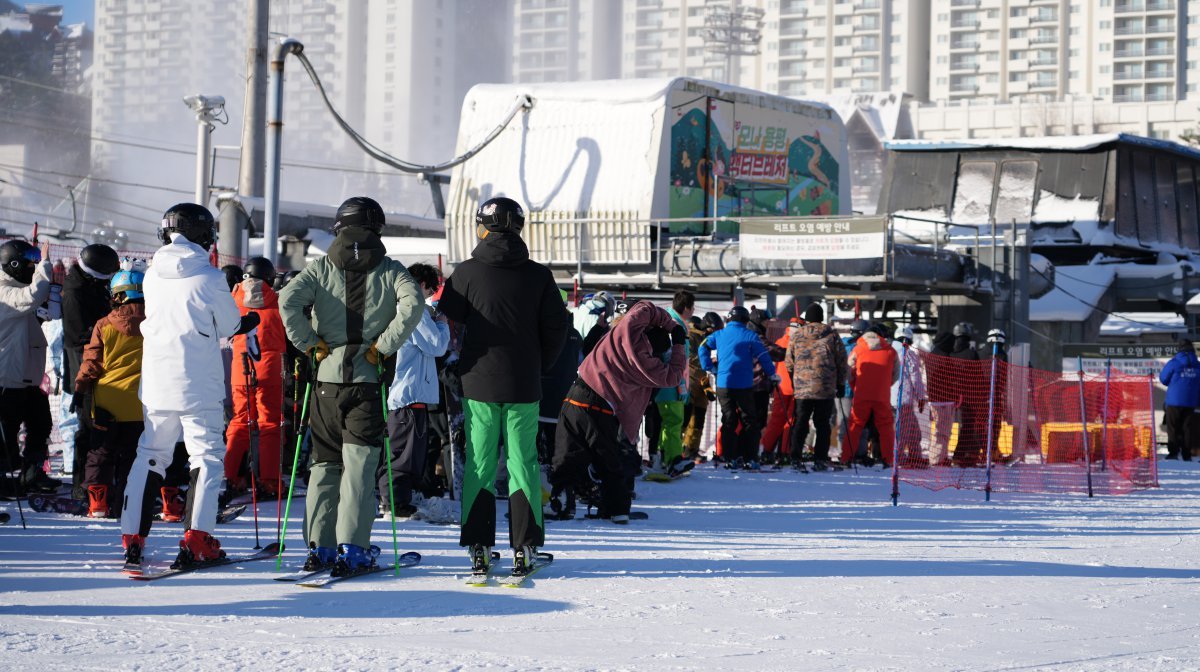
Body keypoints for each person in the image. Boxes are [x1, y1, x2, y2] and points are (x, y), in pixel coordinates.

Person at [279, 196, 423, 575]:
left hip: (325, 383)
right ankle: (353, 548)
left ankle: (319, 548)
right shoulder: (392, 271)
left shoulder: (319, 268)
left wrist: (309, 343)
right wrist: (384, 345)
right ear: (377, 227)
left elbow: (287, 301)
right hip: (367, 382)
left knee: (324, 464)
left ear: (339, 228)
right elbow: (413, 304)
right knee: (359, 466)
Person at [119, 203, 259, 569]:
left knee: (150, 454)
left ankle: (133, 537)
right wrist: (247, 323)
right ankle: (198, 540)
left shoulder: (151, 274)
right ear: (204, 235)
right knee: (206, 457)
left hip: (156, 380)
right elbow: (229, 325)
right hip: (197, 381)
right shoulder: (210, 277)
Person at [437, 196, 569, 576]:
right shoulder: (539, 274)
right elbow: (557, 327)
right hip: (524, 381)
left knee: (478, 463)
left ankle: (479, 547)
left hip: (478, 381)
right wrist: (539, 363)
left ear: (483, 226)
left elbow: (449, 321)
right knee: (522, 463)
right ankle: (524, 549)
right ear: (518, 227)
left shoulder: (466, 272)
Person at [550, 301, 686, 521]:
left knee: (567, 455)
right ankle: (617, 509)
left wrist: (670, 324)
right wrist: (679, 344)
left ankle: (562, 502)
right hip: (604, 408)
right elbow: (674, 376)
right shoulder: (648, 365)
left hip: (577, 395)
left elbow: (645, 308)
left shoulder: (626, 332)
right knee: (609, 461)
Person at [377, 262, 450, 517]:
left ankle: (396, 500)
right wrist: (442, 323)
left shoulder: (394, 306)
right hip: (408, 393)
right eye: (430, 290)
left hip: (402, 391)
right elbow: (437, 345)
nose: (431, 297)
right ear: (420, 285)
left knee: (402, 451)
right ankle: (394, 504)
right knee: (403, 454)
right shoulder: (414, 310)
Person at [74, 263, 147, 517]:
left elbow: (92, 362)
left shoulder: (104, 324)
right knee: (132, 457)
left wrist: (80, 388)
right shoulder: (154, 324)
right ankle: (127, 504)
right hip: (140, 403)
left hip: (106, 402)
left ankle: (98, 504)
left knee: (100, 454)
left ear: (119, 295)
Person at [224, 257, 287, 499]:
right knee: (270, 424)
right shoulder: (278, 301)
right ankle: (269, 480)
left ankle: (232, 476)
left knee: (240, 422)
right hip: (270, 369)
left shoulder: (233, 299)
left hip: (240, 368)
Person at [0, 239, 59, 496]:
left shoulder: (16, 285)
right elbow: (33, 295)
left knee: (41, 423)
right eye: (29, 262)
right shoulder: (4, 289)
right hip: (7, 377)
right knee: (6, 433)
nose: (32, 267)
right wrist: (45, 264)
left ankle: (32, 473)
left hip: (27, 376)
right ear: (14, 264)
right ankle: (3, 478)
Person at [61, 243, 119, 494]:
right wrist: (108, 328)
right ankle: (81, 486)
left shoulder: (91, 286)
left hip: (95, 363)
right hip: (83, 365)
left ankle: (98, 481)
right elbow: (78, 336)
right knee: (87, 426)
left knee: (100, 424)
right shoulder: (76, 292)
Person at [699, 305, 776, 470]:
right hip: (744, 386)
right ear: (745, 320)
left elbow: (702, 347)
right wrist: (772, 374)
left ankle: (729, 458)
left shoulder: (719, 334)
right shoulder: (750, 335)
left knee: (729, 421)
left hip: (723, 384)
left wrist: (710, 368)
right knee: (750, 422)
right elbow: (764, 356)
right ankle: (750, 458)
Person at [784, 304, 847, 471]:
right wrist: (841, 384)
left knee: (801, 422)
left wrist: (793, 380)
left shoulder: (797, 335)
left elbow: (789, 362)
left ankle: (795, 457)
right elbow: (842, 361)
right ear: (821, 316)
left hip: (802, 387)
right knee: (822, 424)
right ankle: (820, 459)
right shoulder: (832, 335)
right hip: (825, 387)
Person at [651, 290, 695, 477]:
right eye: (692, 308)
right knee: (673, 420)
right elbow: (675, 357)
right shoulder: (675, 325)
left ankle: (664, 457)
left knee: (667, 422)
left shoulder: (667, 320)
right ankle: (672, 459)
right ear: (687, 308)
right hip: (670, 383)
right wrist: (681, 384)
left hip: (666, 381)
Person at [844, 327, 900, 467]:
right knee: (886, 427)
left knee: (855, 425)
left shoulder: (858, 349)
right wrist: (885, 384)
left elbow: (848, 372)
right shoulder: (890, 351)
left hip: (862, 394)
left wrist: (855, 386)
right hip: (882, 395)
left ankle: (846, 457)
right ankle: (888, 459)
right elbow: (896, 374)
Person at [761, 317, 802, 466]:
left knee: (776, 420)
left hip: (781, 386)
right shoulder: (801, 343)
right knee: (790, 421)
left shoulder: (780, 341)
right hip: (797, 386)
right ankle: (785, 452)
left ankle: (766, 450)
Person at [682, 312, 721, 463]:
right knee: (685, 419)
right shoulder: (691, 336)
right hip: (690, 380)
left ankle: (691, 450)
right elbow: (690, 357)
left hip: (702, 381)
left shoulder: (707, 338)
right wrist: (710, 358)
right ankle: (678, 451)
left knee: (698, 419)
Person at [891, 326, 929, 467]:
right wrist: (921, 397)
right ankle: (899, 458)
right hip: (904, 398)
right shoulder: (908, 354)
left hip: (890, 396)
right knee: (903, 432)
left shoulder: (890, 351)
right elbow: (916, 377)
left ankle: (915, 455)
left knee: (913, 430)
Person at [1159, 339, 1200, 461]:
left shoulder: (1174, 362)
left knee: (1173, 427)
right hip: (1191, 401)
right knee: (1187, 428)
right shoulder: (1197, 365)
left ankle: (1173, 453)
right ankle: (1187, 454)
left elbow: (1163, 379)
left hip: (1174, 401)